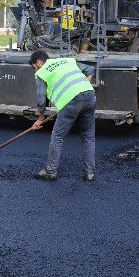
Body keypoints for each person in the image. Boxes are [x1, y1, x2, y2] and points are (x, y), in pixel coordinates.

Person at [30, 50, 97, 182]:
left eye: (34, 68)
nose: (35, 71)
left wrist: (40, 119)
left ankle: (50, 171)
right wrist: (82, 89)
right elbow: (90, 70)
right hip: (90, 96)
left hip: (71, 102)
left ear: (38, 63)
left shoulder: (42, 72)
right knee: (88, 136)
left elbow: (41, 98)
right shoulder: (66, 61)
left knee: (58, 137)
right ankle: (90, 173)